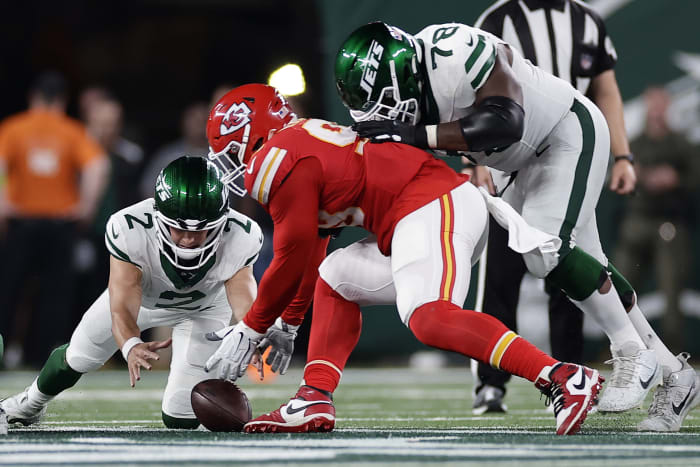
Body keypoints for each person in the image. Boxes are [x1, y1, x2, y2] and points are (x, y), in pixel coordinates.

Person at [335, 21, 699, 429]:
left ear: (402, 74)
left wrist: (418, 134)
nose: (387, 117)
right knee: (587, 265)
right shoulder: (413, 91)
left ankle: (632, 351)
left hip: (563, 132)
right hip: (512, 163)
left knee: (544, 251)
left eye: (386, 103)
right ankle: (674, 374)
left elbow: (506, 119)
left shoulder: (453, 51)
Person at [204, 83, 603, 436]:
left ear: (251, 134)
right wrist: (288, 325)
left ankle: (562, 377)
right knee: (336, 276)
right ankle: (313, 396)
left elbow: (289, 257)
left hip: (431, 205)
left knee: (429, 317)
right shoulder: (302, 144)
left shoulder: (278, 156)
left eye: (233, 151)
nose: (236, 165)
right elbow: (310, 254)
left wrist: (253, 326)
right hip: (427, 213)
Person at [0, 156, 263, 429]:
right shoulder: (129, 227)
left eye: (203, 230)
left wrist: (252, 332)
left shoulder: (241, 234)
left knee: (180, 417)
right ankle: (28, 403)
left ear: (221, 222)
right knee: (78, 355)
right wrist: (130, 344)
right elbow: (123, 305)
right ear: (158, 216)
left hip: (206, 307)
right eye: (179, 227)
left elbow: (243, 295)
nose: (189, 239)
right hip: (144, 303)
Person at [466, 0, 637, 414]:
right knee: (500, 277)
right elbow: (470, 87)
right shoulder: (497, 19)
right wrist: (473, 158)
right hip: (511, 157)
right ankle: (491, 383)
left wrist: (621, 155)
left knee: (566, 268)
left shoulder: (587, 22)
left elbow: (606, 88)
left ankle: (572, 377)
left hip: (568, 156)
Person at [0, 71, 109, 367]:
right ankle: (41, 360)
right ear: (62, 100)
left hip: (22, 223)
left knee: (8, 291)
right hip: (60, 225)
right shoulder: (72, 130)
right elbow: (98, 166)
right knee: (54, 296)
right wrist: (86, 206)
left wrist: (4, 203)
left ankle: (2, 351)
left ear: (33, 97)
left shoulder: (13, 128)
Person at [139, 101, 210, 199]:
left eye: (203, 121)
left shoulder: (220, 157)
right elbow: (148, 187)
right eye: (194, 121)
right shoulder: (168, 155)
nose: (199, 126)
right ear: (184, 123)